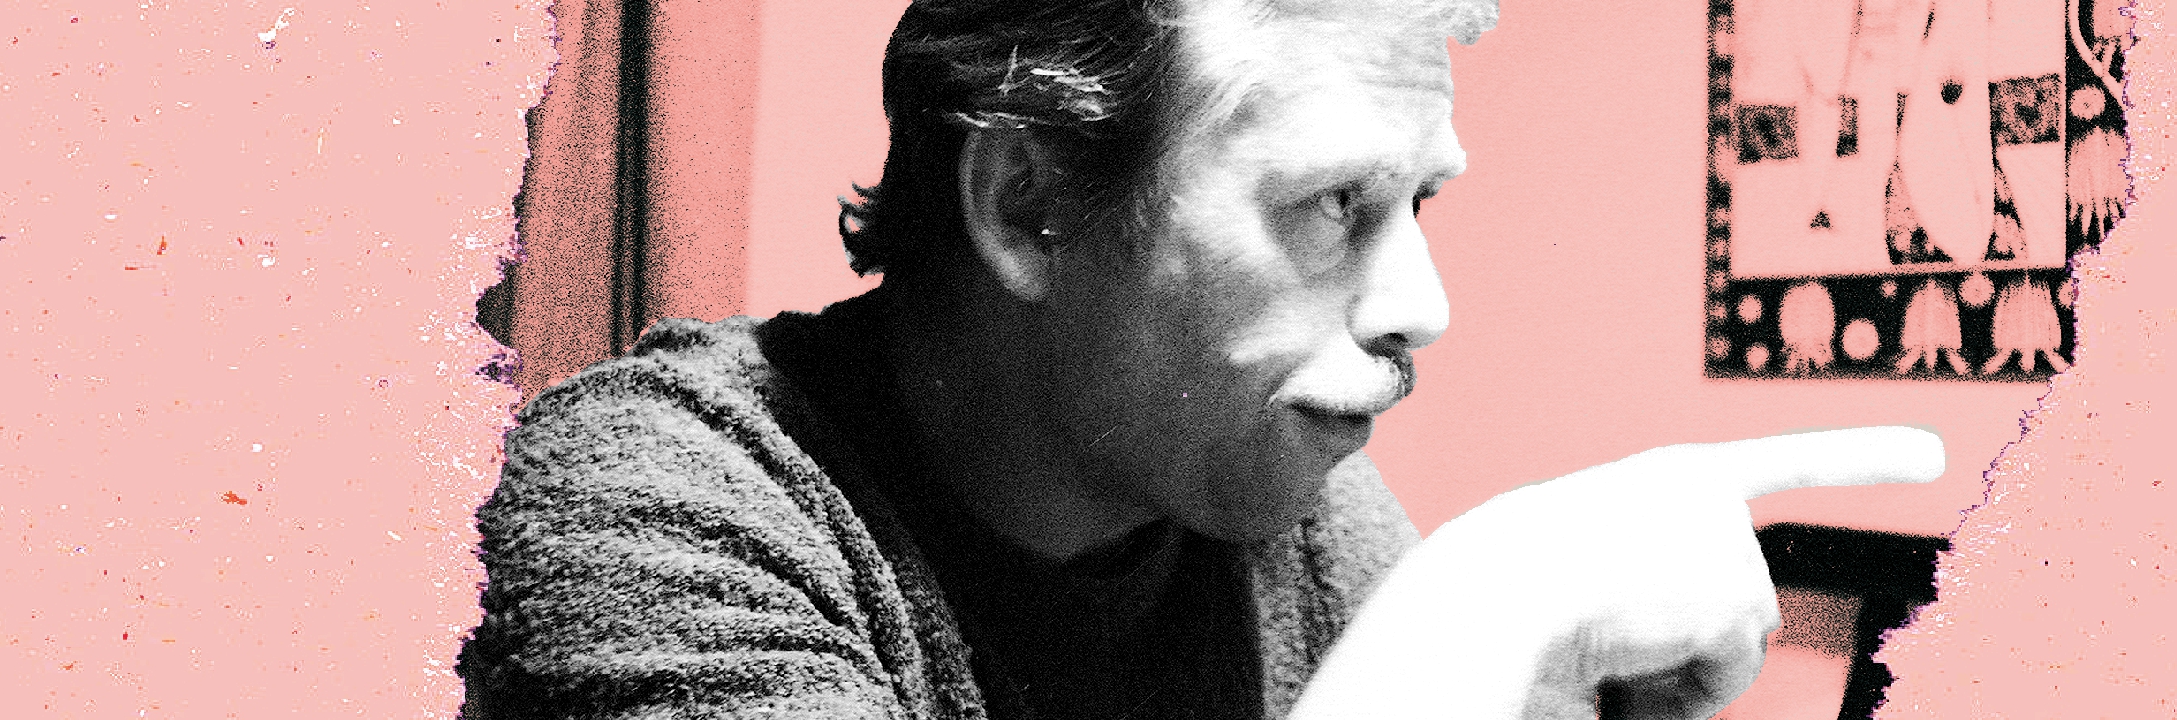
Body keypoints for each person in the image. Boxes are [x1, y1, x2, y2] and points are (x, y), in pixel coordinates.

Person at [453, 0, 1947, 717]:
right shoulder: (648, 506)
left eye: (1417, 204)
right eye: (1334, 204)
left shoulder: (1296, 521)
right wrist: (1476, 616)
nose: (1421, 305)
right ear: (1028, 206)